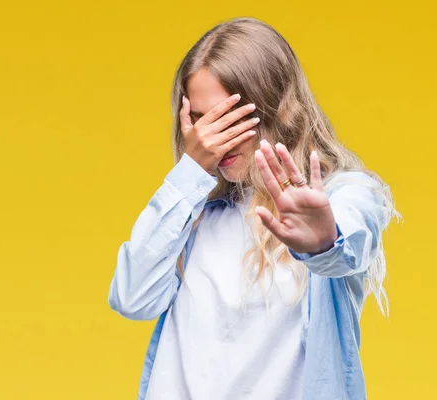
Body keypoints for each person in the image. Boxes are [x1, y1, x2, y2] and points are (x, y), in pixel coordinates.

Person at [107, 17, 401, 400]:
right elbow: (131, 298)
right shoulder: (193, 214)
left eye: (230, 119)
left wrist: (321, 242)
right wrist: (188, 175)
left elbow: (344, 248)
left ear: (274, 108)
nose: (215, 139)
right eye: (199, 120)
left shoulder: (341, 197)